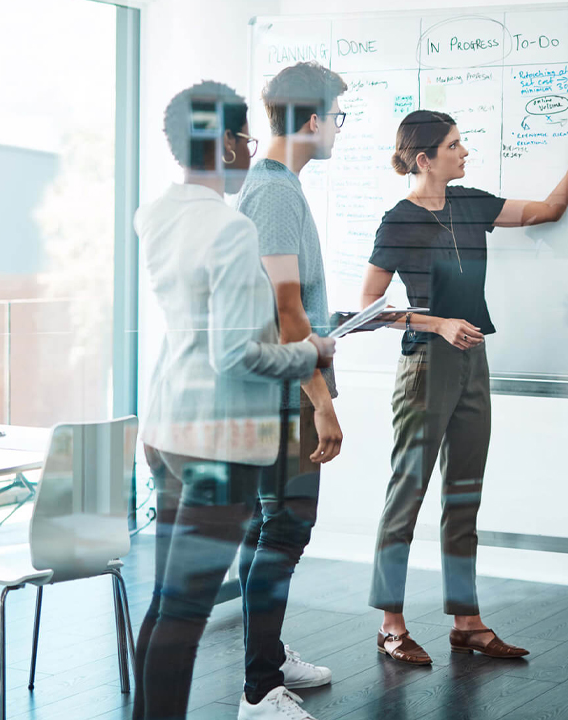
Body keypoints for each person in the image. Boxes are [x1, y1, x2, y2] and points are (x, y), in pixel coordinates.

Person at [362, 106, 568, 664]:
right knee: (407, 492)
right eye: (455, 145)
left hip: (474, 361)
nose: (465, 151)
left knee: (464, 494)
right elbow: (369, 310)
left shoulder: (471, 202)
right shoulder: (397, 221)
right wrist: (435, 321)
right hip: (425, 365)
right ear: (425, 158)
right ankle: (391, 624)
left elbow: (549, 210)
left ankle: (467, 621)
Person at [132, 81, 335, 720]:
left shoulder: (157, 213)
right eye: (244, 135)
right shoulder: (229, 226)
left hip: (168, 424)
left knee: (170, 601)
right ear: (223, 141)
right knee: (187, 611)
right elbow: (239, 353)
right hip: (218, 438)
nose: (250, 146)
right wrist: (314, 353)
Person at [232, 61, 346, 718]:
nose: (337, 130)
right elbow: (285, 310)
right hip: (285, 394)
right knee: (284, 530)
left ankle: (268, 662)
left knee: (272, 527)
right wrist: (323, 402)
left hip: (279, 389)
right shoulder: (274, 193)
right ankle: (258, 692)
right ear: (310, 120)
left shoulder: (277, 187)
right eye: (336, 117)